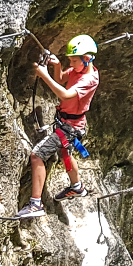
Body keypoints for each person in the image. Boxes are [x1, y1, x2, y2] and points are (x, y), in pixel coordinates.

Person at [18, 35, 100, 218]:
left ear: (87, 59)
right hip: (68, 122)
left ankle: (35, 205)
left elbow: (65, 94)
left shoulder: (89, 80)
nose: (71, 63)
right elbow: (61, 79)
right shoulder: (78, 69)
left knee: (37, 155)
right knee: (65, 153)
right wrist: (57, 67)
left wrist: (43, 75)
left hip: (70, 127)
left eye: (74, 60)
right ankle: (77, 187)